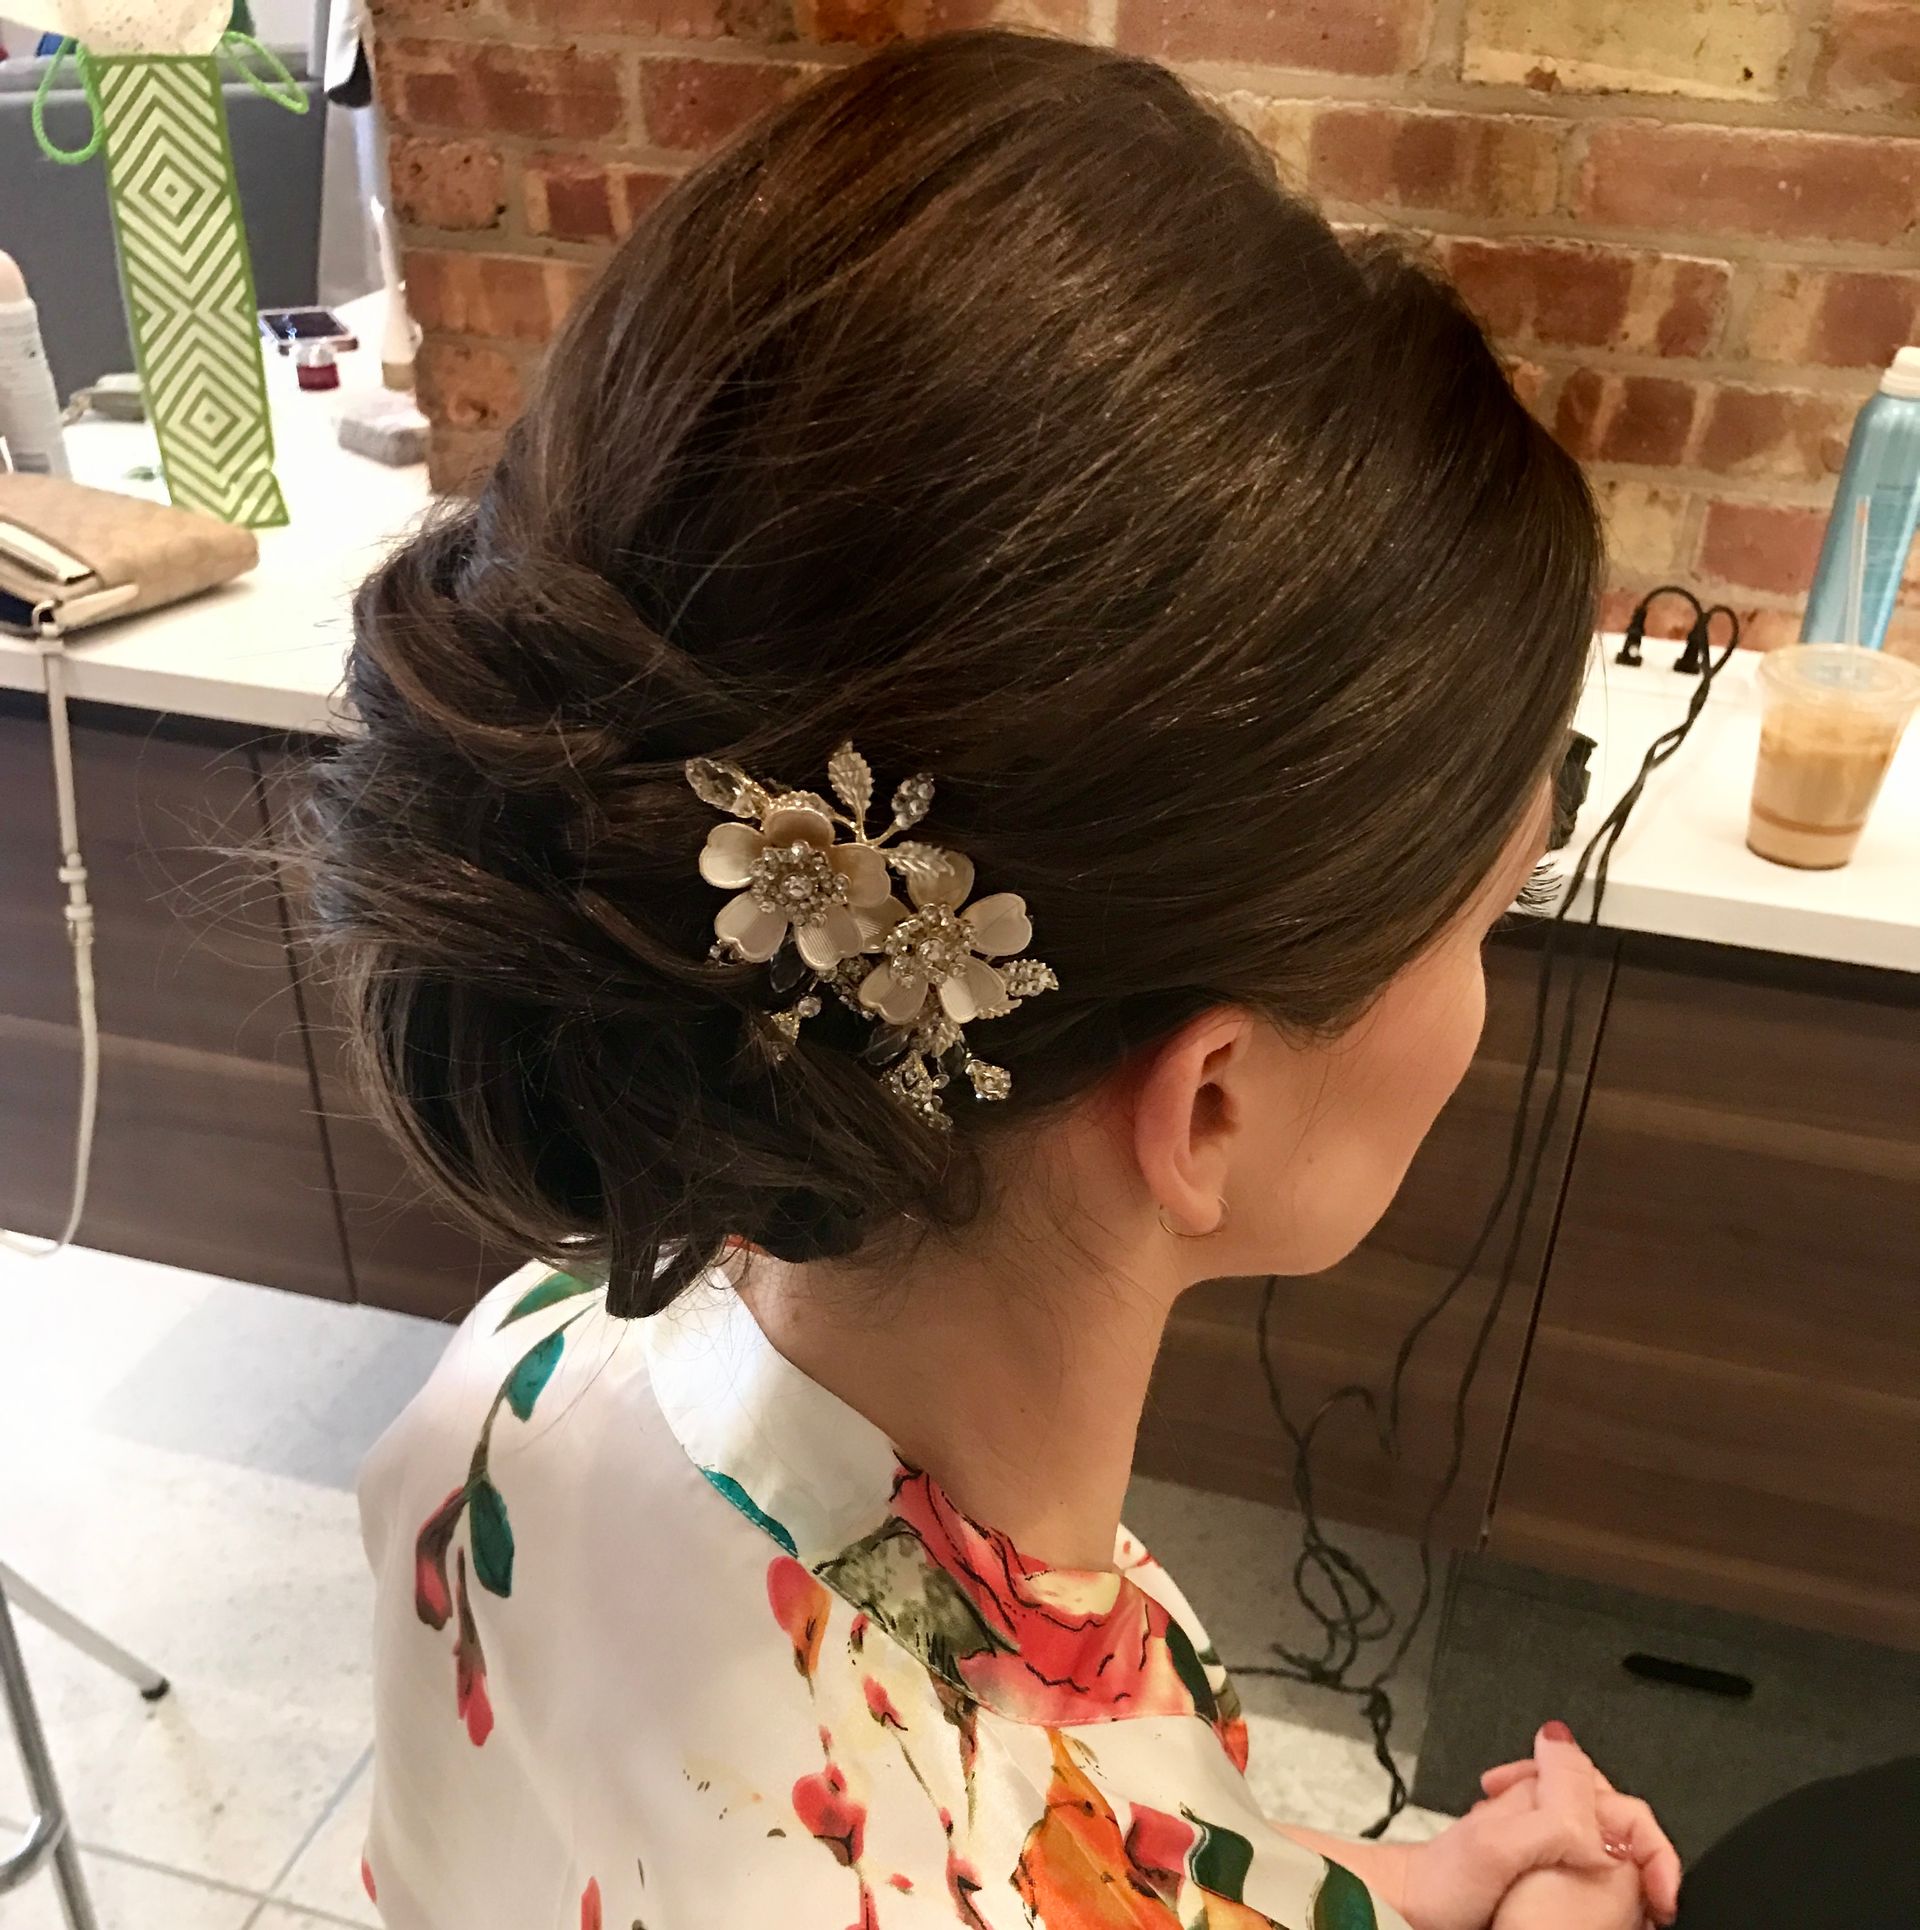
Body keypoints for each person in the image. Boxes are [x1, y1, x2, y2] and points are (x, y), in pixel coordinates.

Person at [298, 30, 1683, 1930]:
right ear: (1208, 1101)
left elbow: (1115, 1838)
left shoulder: (532, 1367)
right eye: (1482, 922)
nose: (1481, 1005)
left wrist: (1392, 1886)